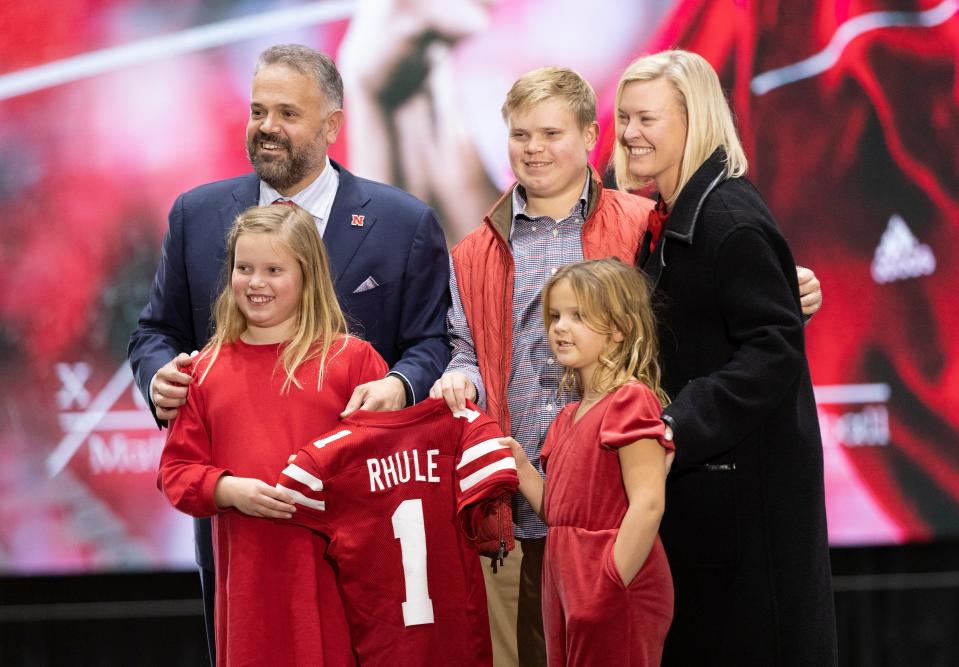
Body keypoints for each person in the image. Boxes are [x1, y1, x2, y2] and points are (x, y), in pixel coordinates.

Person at [128, 44, 450, 664]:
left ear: (332, 124)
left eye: (287, 113)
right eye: (257, 110)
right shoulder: (196, 215)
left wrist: (400, 385)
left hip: (361, 522)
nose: (267, 127)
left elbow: (433, 342)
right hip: (241, 538)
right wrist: (159, 376)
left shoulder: (401, 222)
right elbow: (154, 332)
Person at [614, 49, 838, 665]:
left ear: (697, 119)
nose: (629, 134)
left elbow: (772, 350)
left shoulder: (726, 218)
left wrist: (675, 423)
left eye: (646, 119)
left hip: (745, 511)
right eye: (624, 118)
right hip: (712, 503)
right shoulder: (680, 213)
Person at [429, 66, 654, 667]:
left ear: (588, 136)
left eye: (550, 133)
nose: (533, 149)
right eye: (520, 134)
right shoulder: (473, 250)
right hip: (514, 500)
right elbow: (465, 349)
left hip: (613, 504)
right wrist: (460, 376)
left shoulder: (640, 225)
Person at [158, 203, 388, 665]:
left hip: (340, 581)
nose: (256, 282)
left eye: (274, 269)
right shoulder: (203, 371)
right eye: (244, 268)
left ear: (307, 276)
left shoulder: (353, 362)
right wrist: (227, 489)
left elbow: (386, 469)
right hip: (250, 590)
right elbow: (176, 472)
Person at [505, 258, 674, 666]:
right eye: (556, 315)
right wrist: (521, 467)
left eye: (579, 316)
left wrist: (610, 579)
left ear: (619, 329)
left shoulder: (630, 401)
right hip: (566, 582)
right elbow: (560, 512)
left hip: (612, 584)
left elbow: (648, 503)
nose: (560, 327)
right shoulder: (567, 416)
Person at [275, 397, 518, 666]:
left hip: (385, 645)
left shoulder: (324, 457)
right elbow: (500, 467)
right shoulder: (464, 424)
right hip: (460, 640)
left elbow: (289, 490)